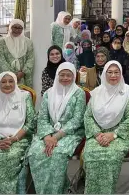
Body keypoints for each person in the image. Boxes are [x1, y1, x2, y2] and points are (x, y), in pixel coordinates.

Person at [28, 62, 86, 194]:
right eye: (62, 75)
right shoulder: (49, 93)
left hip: (70, 133)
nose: (65, 78)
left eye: (69, 75)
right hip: (47, 133)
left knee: (57, 155)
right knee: (36, 153)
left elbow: (77, 120)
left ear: (74, 76)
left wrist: (56, 136)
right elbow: (42, 117)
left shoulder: (79, 93)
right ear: (57, 76)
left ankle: (57, 191)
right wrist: (47, 136)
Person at [83, 61, 129, 194]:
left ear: (121, 74)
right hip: (98, 134)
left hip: (120, 134)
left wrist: (113, 135)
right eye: (110, 72)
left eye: (116, 72)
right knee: (91, 153)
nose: (113, 75)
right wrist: (97, 134)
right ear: (104, 74)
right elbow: (88, 116)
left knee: (110, 155)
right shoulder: (96, 93)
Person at [0, 19, 35, 87]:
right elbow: (0, 59)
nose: (17, 30)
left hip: (23, 77)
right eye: (15, 27)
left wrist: (22, 72)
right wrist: (12, 74)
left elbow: (31, 58)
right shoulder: (1, 42)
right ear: (10, 27)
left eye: (20, 28)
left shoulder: (28, 42)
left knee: (23, 96)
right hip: (6, 76)